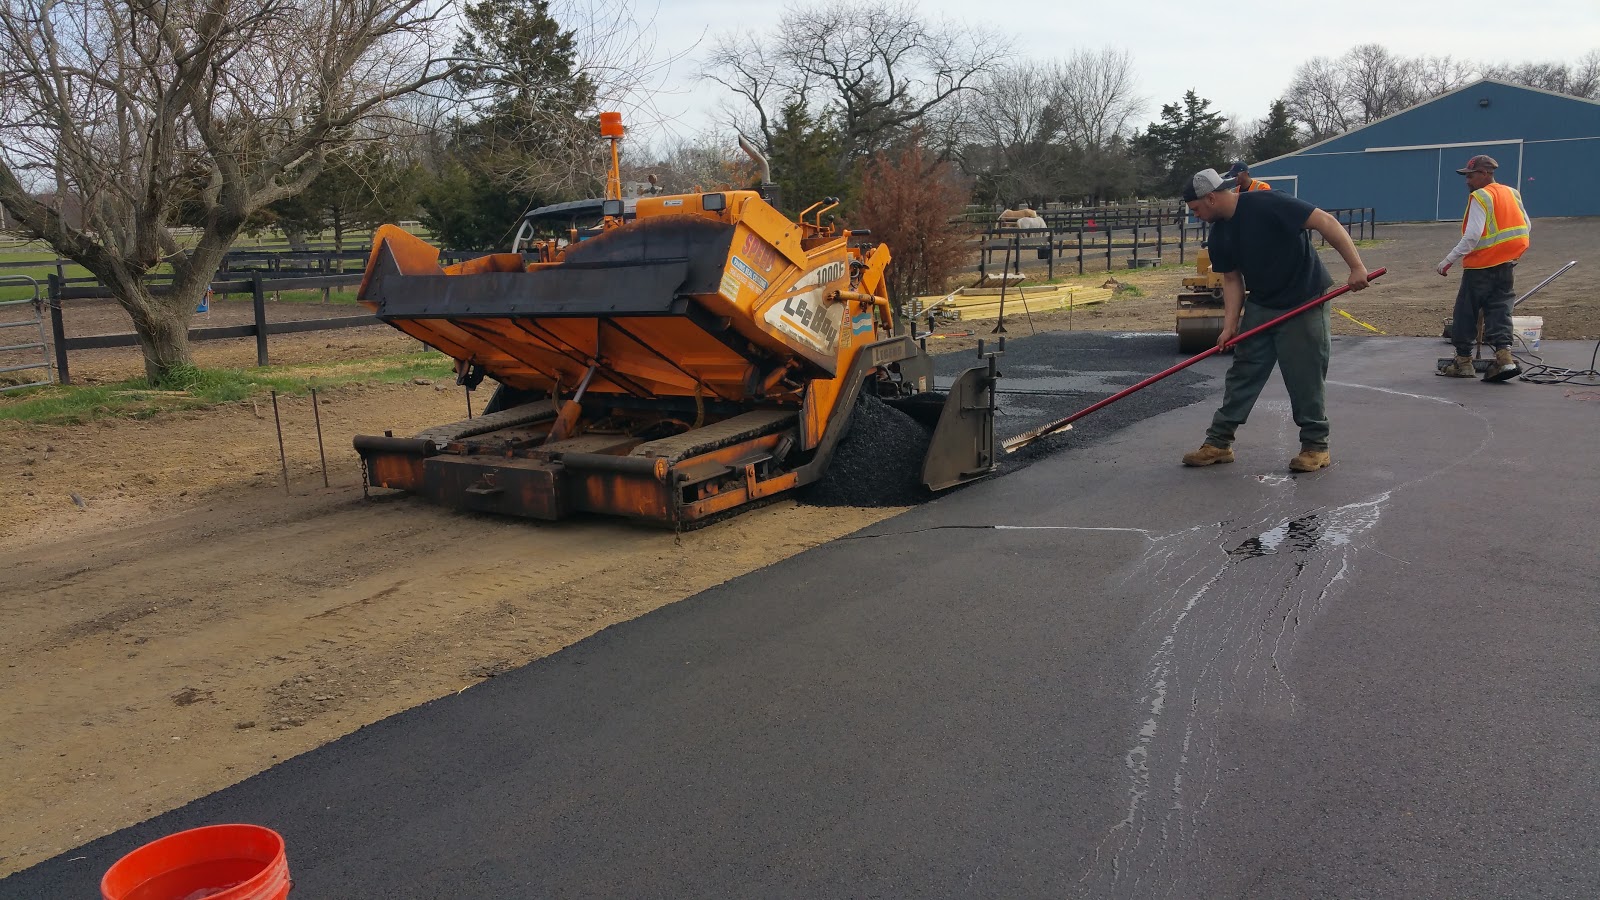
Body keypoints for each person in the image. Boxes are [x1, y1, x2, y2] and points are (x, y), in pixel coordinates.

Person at [1179, 168, 1370, 472]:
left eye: (1196, 209)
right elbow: (1231, 279)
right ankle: (1218, 442)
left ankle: (1316, 447)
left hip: (1304, 300)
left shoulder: (1269, 203)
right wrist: (1230, 327)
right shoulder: (1219, 235)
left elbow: (1325, 221)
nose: (1196, 215)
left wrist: (1356, 267)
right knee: (1243, 371)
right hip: (1263, 303)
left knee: (1304, 374)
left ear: (1211, 198)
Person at [1435, 154, 1530, 382]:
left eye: (1471, 175)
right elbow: (1526, 225)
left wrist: (1447, 260)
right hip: (1506, 266)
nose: (1468, 181)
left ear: (1485, 174)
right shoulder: (1512, 193)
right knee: (1500, 312)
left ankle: (1463, 361)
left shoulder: (1481, 196)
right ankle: (1504, 358)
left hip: (1480, 267)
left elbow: (1472, 236)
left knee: (1465, 313)